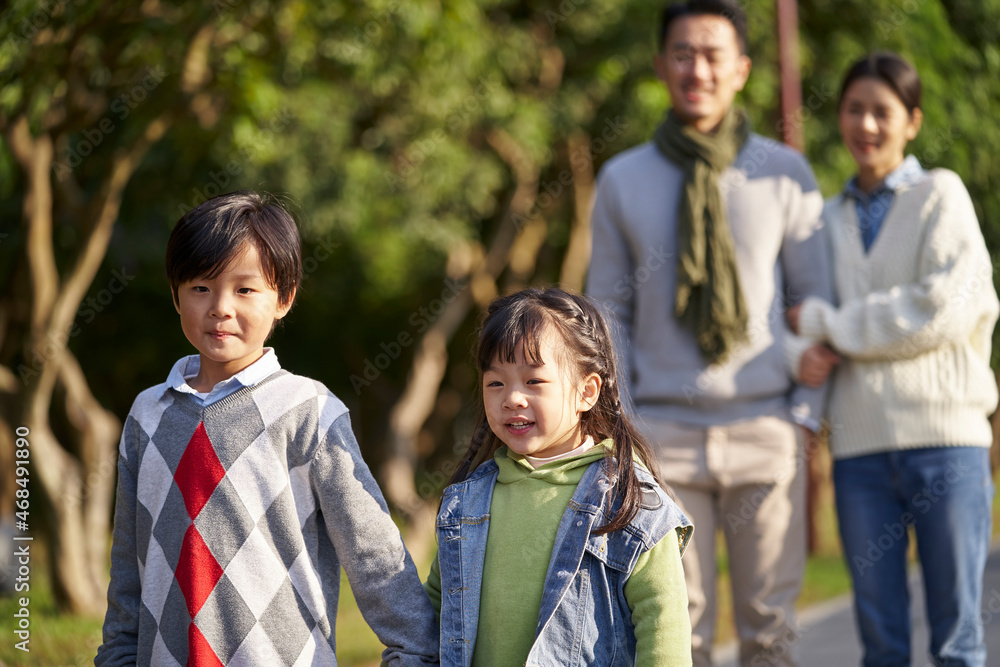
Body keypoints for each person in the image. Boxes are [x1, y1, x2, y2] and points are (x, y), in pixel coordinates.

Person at [585, 1, 835, 664]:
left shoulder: (784, 173)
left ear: (743, 70)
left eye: (714, 55)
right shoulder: (622, 179)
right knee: (675, 630)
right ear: (662, 65)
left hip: (767, 427)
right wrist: (625, 431)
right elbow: (605, 311)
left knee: (770, 629)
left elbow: (818, 304)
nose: (698, 69)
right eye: (684, 53)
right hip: (662, 436)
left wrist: (804, 419)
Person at [96, 191, 439, 666]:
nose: (219, 307)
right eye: (200, 287)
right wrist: (116, 656)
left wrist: (417, 652)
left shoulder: (308, 409)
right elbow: (129, 567)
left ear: (284, 298)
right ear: (175, 295)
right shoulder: (146, 415)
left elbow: (372, 551)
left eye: (245, 289)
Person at [786, 52, 998, 667]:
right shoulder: (823, 219)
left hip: (947, 445)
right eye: (855, 110)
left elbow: (942, 311)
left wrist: (831, 325)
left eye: (883, 112)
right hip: (859, 456)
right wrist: (806, 346)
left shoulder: (942, 195)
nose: (866, 125)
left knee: (958, 639)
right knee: (881, 645)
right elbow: (794, 312)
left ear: (912, 121)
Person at [425, 287, 694, 666]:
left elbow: (663, 625)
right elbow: (433, 612)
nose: (512, 398)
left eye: (533, 381)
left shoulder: (629, 504)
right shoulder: (467, 501)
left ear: (586, 391)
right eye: (495, 383)